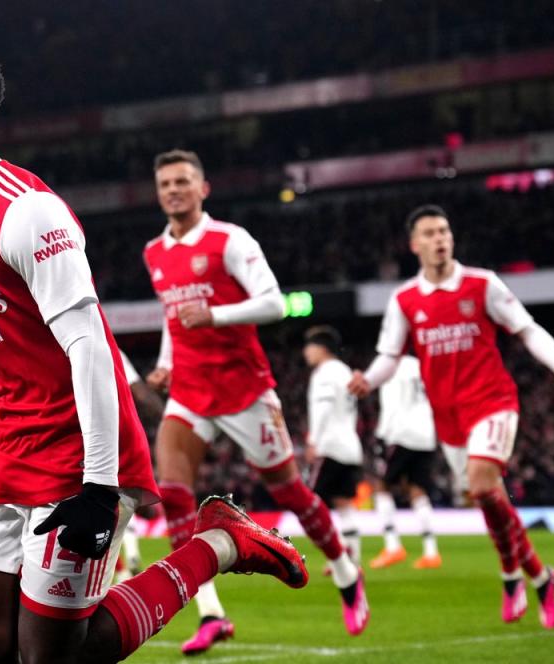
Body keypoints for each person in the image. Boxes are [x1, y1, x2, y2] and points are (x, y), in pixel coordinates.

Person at [0, 37, 308, 664]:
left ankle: (218, 544)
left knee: (52, 656)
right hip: (8, 451)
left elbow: (89, 346)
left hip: (80, 452)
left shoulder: (28, 212)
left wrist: (100, 487)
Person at [143, 149, 368, 651]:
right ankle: (210, 612)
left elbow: (274, 300)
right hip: (191, 392)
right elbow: (172, 316)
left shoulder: (230, 240)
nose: (174, 190)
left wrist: (218, 315)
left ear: (203, 189)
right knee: (173, 493)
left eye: (183, 181)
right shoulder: (154, 252)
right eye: (165, 184)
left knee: (290, 491)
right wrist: (167, 362)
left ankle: (347, 571)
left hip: (244, 389)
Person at [348, 204, 554, 629]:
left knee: (481, 483)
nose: (440, 239)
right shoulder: (405, 300)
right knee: (487, 496)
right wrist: (367, 380)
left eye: (444, 231)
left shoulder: (482, 284)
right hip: (449, 418)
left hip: (492, 402)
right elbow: (389, 356)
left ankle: (510, 574)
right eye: (430, 233)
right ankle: (539, 575)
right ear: (414, 244)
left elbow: (528, 329)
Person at [369, 353, 442, 570]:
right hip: (425, 434)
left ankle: (393, 546)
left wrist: (382, 435)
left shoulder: (390, 366)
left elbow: (391, 404)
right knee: (417, 489)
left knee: (381, 486)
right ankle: (431, 552)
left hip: (400, 433)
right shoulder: (422, 366)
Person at [302, 326, 364, 568]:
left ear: (321, 348)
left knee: (310, 504)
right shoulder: (345, 371)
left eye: (309, 347)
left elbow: (324, 408)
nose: (306, 353)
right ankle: (353, 558)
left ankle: (338, 555)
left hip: (329, 445)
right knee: (344, 504)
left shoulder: (324, 373)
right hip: (350, 445)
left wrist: (313, 441)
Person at [114, 349, 165, 582]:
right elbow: (141, 395)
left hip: (74, 433)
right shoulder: (105, 341)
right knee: (122, 496)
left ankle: (121, 568)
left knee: (94, 502)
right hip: (116, 431)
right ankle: (129, 557)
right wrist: (169, 419)